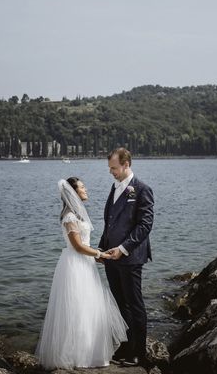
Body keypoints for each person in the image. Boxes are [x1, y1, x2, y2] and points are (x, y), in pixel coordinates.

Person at [35, 177, 127, 369]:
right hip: (75, 265)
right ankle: (77, 355)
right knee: (77, 307)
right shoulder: (69, 216)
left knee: (88, 307)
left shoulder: (76, 214)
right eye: (82, 187)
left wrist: (95, 257)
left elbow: (83, 245)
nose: (86, 190)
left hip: (84, 263)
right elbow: (77, 246)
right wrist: (100, 253)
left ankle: (90, 353)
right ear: (74, 192)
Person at [98, 148, 154, 367]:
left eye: (114, 168)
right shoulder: (114, 188)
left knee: (134, 304)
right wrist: (102, 250)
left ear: (126, 164)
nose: (111, 172)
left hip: (130, 257)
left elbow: (145, 225)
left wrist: (123, 248)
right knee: (120, 304)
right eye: (110, 168)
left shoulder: (142, 189)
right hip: (111, 257)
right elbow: (109, 222)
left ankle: (139, 352)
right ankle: (126, 345)